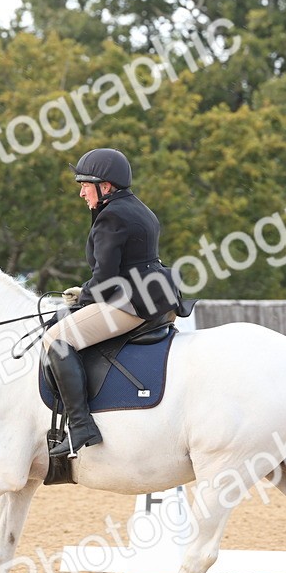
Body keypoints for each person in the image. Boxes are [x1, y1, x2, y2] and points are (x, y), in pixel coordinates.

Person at [43, 148, 181, 458]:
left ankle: (80, 427)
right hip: (156, 295)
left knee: (56, 338)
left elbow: (105, 278)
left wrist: (85, 297)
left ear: (106, 186)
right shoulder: (137, 208)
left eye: (85, 185)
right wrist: (85, 291)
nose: (81, 192)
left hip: (133, 304)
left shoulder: (112, 216)